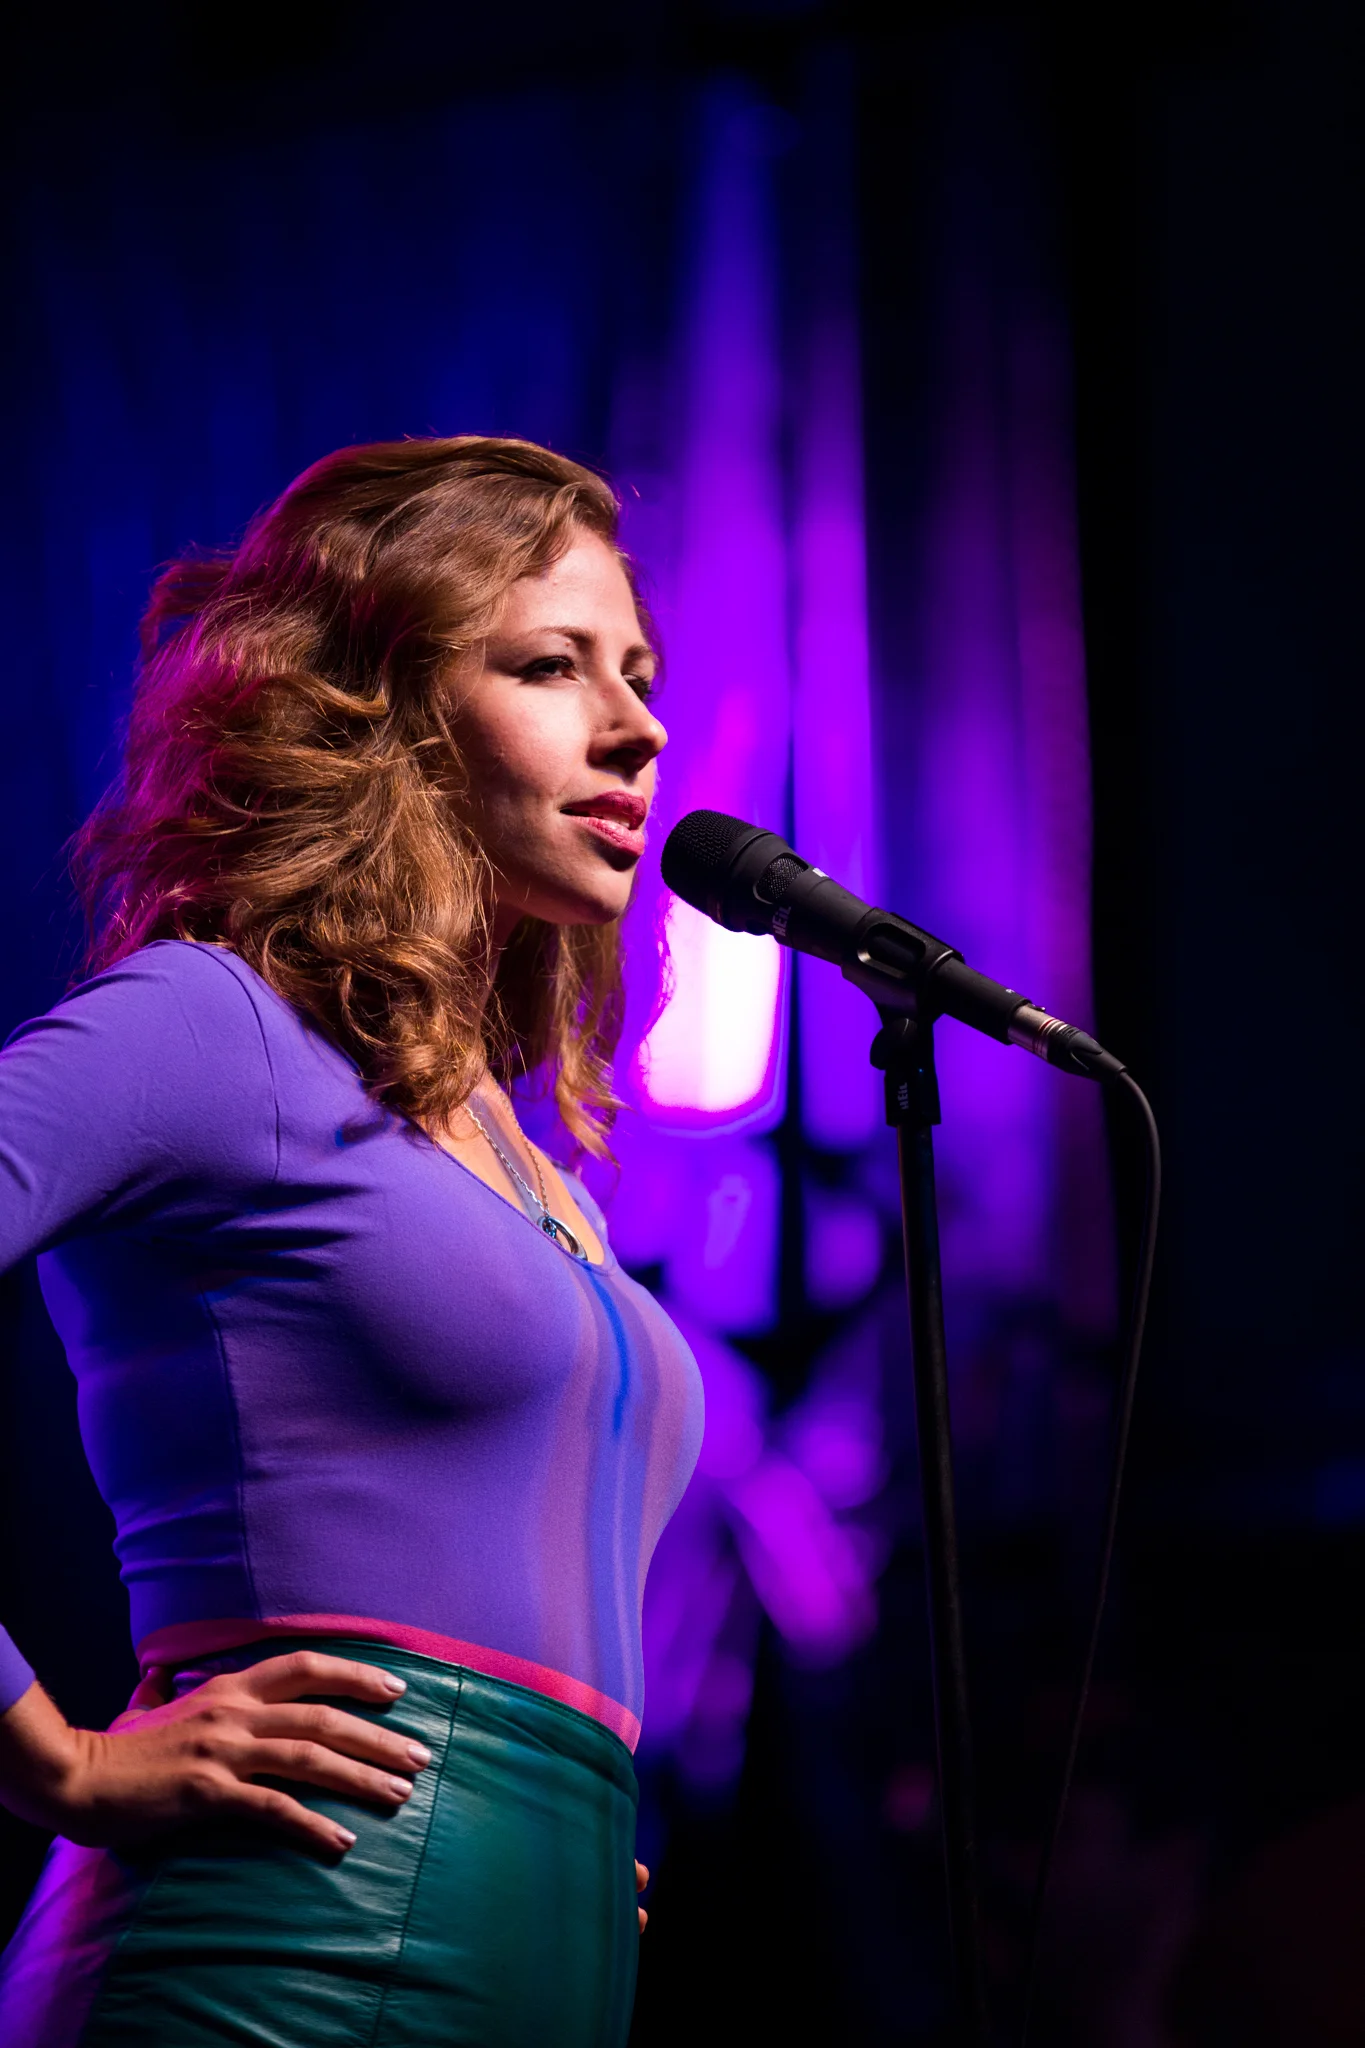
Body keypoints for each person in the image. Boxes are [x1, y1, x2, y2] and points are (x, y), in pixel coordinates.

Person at [0, 436, 704, 2047]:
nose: (638, 723)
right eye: (549, 664)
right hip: (276, 1954)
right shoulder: (209, 1027)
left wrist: (550, 1836)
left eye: (641, 672)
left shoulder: (539, 1172)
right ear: (379, 712)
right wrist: (60, 1759)